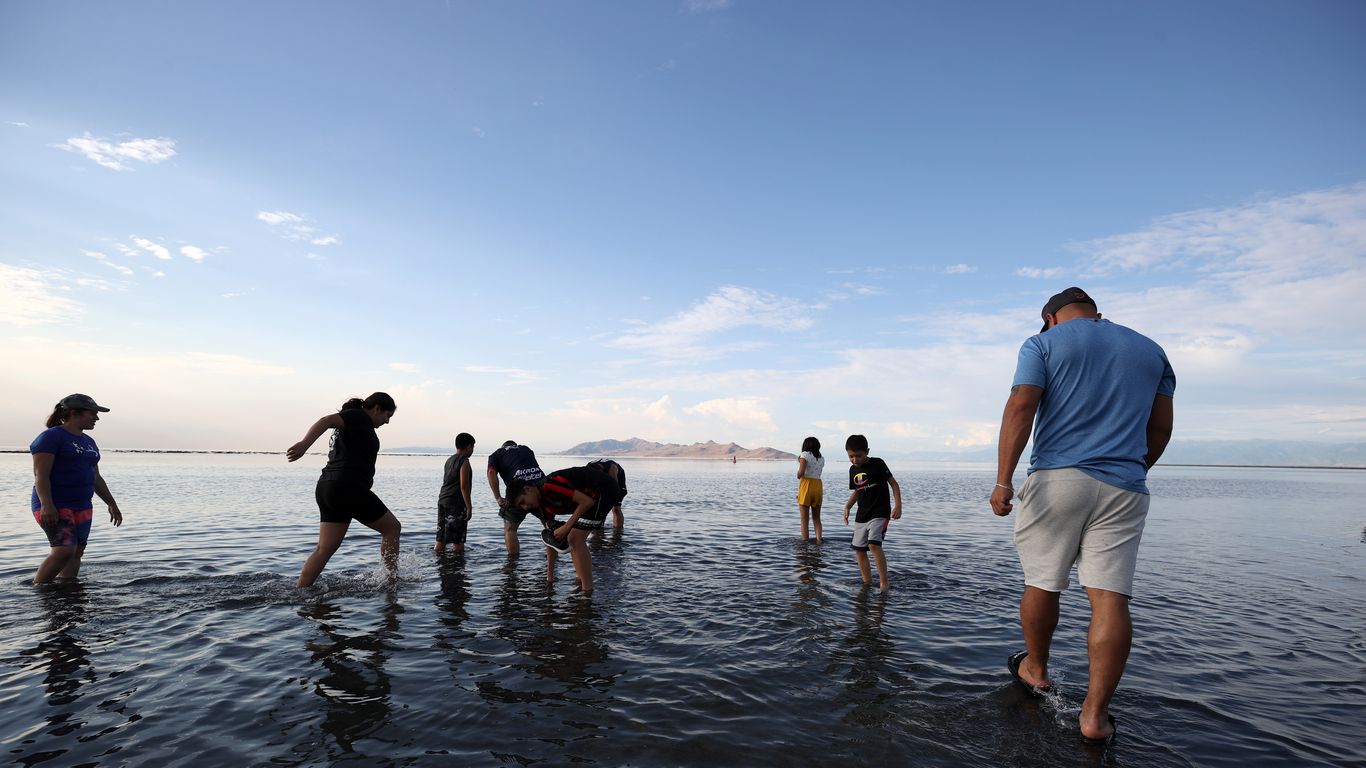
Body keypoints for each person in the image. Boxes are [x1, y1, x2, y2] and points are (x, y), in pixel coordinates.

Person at [990, 287, 1175, 745]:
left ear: (1049, 317)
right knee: (1111, 599)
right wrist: (1132, 469)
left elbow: (1021, 405)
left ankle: (1036, 669)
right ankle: (1094, 716)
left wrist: (1003, 480)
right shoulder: (1152, 350)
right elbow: (1161, 426)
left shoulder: (1043, 344)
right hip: (1125, 485)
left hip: (1058, 479)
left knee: (1042, 582)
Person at [286, 392, 401, 588]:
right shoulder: (359, 416)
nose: (387, 422)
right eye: (387, 416)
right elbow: (326, 420)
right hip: (348, 487)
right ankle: (391, 581)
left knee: (324, 548)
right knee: (392, 528)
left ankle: (300, 592)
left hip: (328, 488)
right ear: (377, 409)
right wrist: (304, 445)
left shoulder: (356, 421)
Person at [29, 394, 123, 585]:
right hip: (55, 504)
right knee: (64, 550)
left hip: (82, 504)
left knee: (77, 551)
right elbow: (41, 475)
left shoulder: (89, 442)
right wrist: (47, 505)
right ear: (74, 413)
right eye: (93, 413)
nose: (96, 418)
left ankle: (67, 590)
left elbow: (96, 477)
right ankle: (39, 590)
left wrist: (111, 503)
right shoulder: (50, 437)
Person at [506, 466, 616, 595]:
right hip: (590, 498)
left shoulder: (550, 484)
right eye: (521, 506)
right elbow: (550, 542)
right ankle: (580, 581)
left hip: (604, 489)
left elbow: (586, 502)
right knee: (572, 539)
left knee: (574, 538)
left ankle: (587, 592)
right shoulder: (542, 507)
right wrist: (550, 579)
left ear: (528, 489)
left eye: (522, 502)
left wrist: (566, 527)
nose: (525, 507)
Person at [842, 434, 902, 592]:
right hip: (862, 514)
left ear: (867, 451)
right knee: (859, 551)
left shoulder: (878, 463)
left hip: (880, 511)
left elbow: (894, 485)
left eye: (858, 456)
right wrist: (848, 506)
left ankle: (884, 582)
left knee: (874, 544)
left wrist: (898, 505)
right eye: (851, 456)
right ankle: (867, 583)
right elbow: (857, 491)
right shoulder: (852, 470)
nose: (855, 459)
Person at [486, 440, 546, 556]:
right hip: (539, 491)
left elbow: (491, 473)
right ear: (515, 445)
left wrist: (498, 498)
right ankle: (554, 557)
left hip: (518, 495)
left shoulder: (497, 454)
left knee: (510, 529)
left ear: (503, 447)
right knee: (548, 523)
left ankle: (512, 563)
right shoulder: (526, 449)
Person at [435, 432, 476, 553]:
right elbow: (464, 485)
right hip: (455, 503)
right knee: (457, 541)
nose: (472, 450)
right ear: (468, 446)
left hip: (443, 500)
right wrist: (469, 507)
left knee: (440, 538)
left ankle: (440, 565)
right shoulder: (464, 461)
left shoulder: (449, 460)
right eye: (472, 447)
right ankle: (456, 569)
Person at [797, 437, 825, 542]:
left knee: (804, 519)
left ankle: (805, 543)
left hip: (806, 485)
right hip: (818, 486)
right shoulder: (822, 458)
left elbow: (801, 473)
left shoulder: (804, 455)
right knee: (816, 518)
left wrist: (798, 475)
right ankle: (819, 540)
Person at [586, 458, 628, 528]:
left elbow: (614, 488)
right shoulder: (587, 468)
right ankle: (599, 528)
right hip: (602, 479)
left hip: (617, 481)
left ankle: (618, 532)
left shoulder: (612, 468)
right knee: (598, 507)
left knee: (616, 508)